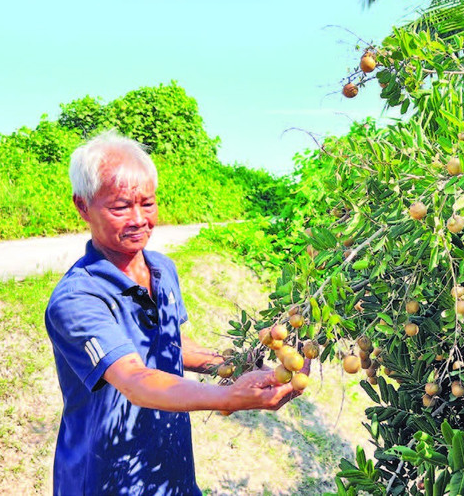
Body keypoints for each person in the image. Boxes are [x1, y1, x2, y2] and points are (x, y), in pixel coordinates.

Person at [45, 131, 301, 495]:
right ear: (83, 206)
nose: (139, 219)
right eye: (120, 207)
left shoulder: (162, 270)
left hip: (172, 476)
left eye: (147, 204)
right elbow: (134, 379)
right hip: (107, 481)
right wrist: (229, 396)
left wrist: (247, 366)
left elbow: (173, 345)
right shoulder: (76, 300)